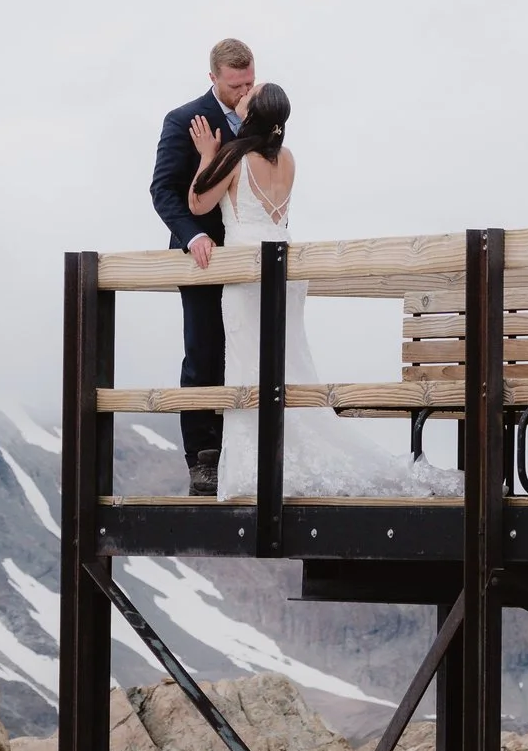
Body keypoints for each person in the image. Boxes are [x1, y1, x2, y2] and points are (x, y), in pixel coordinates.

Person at [183, 82, 461, 501]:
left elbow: (198, 204)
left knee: (248, 367)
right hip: (287, 266)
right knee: (289, 364)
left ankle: (253, 469)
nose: (242, 96)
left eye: (248, 96)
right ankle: (281, 455)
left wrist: (207, 154)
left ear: (254, 114)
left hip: (248, 271)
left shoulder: (232, 156)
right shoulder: (287, 159)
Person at [151, 38, 256, 496]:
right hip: (201, 258)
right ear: (213, 78)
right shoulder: (183, 120)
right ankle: (202, 458)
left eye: (249, 82)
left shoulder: (263, 116)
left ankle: (243, 452)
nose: (244, 92)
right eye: (235, 86)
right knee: (203, 352)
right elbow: (163, 190)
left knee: (246, 352)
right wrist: (192, 235)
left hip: (249, 255)